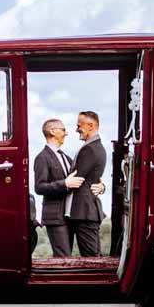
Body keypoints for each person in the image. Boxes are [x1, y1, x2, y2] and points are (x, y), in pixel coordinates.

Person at [33, 118, 79, 257]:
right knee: (63, 257)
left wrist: (101, 184)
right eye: (63, 129)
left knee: (66, 258)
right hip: (55, 217)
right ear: (52, 131)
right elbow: (39, 187)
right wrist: (64, 184)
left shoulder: (65, 156)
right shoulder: (42, 157)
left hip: (68, 215)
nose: (66, 133)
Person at [67, 110, 108, 257]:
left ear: (91, 126)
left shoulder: (90, 149)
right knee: (92, 255)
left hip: (84, 212)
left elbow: (75, 178)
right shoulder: (95, 147)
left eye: (79, 125)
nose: (76, 129)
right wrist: (102, 186)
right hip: (87, 210)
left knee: (92, 258)